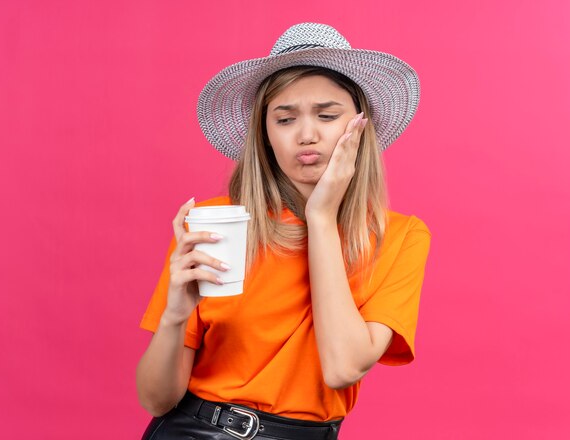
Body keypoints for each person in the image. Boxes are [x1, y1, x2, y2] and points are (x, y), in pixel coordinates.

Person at [136, 22, 431, 440]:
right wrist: (175, 315)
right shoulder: (213, 223)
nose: (306, 135)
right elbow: (155, 400)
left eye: (327, 115)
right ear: (265, 134)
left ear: (359, 127)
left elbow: (343, 366)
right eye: (285, 119)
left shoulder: (398, 236)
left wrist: (322, 218)